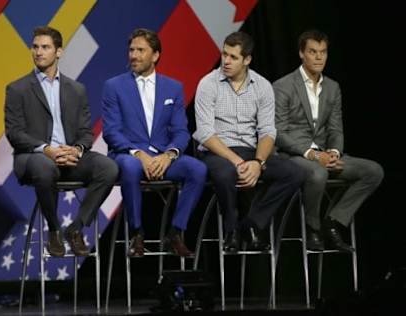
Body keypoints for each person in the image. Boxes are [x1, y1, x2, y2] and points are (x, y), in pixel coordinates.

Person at [4, 26, 119, 257]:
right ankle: (54, 229)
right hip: (34, 158)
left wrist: (76, 150)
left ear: (59, 52)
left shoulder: (76, 90)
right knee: (45, 168)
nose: (38, 52)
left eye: (45, 47)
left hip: (69, 158)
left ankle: (75, 228)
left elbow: (86, 132)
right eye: (35, 47)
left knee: (109, 167)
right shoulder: (17, 89)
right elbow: (14, 133)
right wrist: (47, 150)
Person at [193, 31, 306, 252]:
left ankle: (252, 223)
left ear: (247, 60)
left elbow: (267, 131)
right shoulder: (208, 84)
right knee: (226, 174)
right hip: (217, 152)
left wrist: (258, 162)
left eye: (233, 57)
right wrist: (238, 162)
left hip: (250, 150)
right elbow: (205, 133)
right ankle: (231, 230)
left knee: (296, 173)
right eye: (224, 54)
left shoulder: (262, 86)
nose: (226, 61)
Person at [273, 29, 384, 251]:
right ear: (302, 54)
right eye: (313, 52)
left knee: (373, 171)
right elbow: (278, 132)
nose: (319, 57)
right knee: (318, 172)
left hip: (325, 153)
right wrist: (313, 154)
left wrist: (333, 152)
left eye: (323, 52)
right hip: (294, 154)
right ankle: (312, 227)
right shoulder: (282, 86)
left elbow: (335, 128)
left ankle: (333, 221)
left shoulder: (333, 87)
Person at [102, 28, 206, 257]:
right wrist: (139, 154)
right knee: (129, 167)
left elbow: (181, 131)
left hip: (163, 157)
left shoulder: (173, 88)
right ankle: (137, 233)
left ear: (155, 55)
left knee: (197, 169)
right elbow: (111, 132)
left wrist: (168, 155)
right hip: (129, 155)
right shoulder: (114, 86)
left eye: (141, 50)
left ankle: (176, 232)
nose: (134, 55)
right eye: (131, 50)